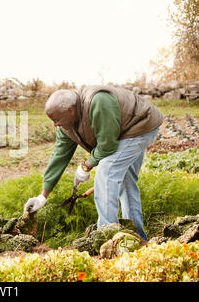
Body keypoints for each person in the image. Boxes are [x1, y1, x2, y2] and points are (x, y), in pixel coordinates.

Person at [24, 85, 164, 241]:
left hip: (140, 125)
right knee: (126, 182)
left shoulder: (98, 102)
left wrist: (87, 165)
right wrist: (43, 196)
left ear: (71, 110)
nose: (55, 125)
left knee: (106, 172)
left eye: (56, 119)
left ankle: (108, 236)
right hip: (121, 131)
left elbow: (107, 146)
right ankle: (138, 237)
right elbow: (59, 155)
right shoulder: (66, 124)